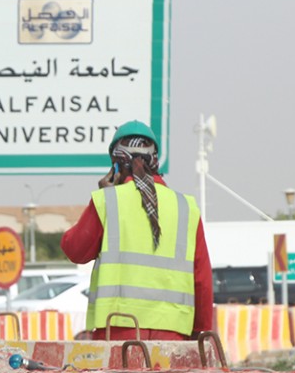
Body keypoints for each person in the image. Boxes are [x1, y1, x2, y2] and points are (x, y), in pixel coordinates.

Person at [61, 120, 214, 341]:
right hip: (173, 336)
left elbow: (74, 250)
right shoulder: (186, 208)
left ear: (116, 164)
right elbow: (202, 280)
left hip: (117, 334)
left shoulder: (108, 202)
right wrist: (200, 331)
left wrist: (102, 198)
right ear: (155, 162)